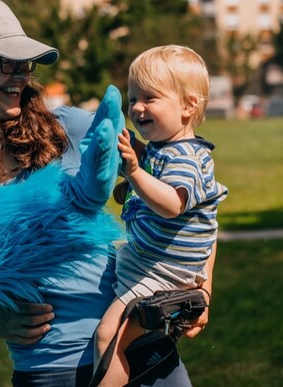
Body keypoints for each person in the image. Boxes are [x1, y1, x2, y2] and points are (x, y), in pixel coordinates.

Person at [0, 0, 213, 386]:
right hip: (51, 370)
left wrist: (203, 282)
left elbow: (194, 196)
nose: (21, 76)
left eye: (25, 64)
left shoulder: (67, 128)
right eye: (7, 62)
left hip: (140, 346)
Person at [94, 45, 228, 386]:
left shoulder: (184, 156)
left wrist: (136, 173)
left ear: (188, 106)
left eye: (150, 98)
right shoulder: (161, 149)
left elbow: (171, 204)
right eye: (132, 97)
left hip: (163, 273)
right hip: (151, 262)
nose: (137, 107)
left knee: (107, 337)